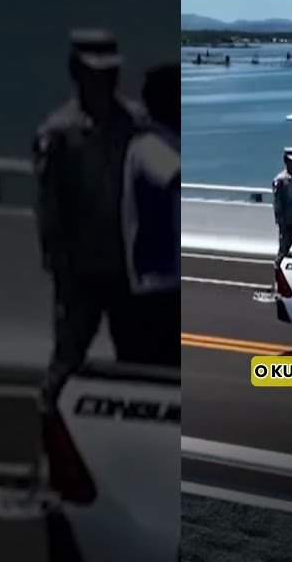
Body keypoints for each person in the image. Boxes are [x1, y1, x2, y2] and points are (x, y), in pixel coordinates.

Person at [33, 29, 143, 410]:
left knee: (138, 366)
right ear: (77, 73)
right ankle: (51, 449)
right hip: (81, 270)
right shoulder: (59, 132)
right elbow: (50, 207)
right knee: (66, 362)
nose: (105, 80)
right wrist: (59, 263)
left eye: (110, 72)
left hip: (127, 268)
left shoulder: (134, 123)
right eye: (97, 73)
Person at [116, 63, 180, 367]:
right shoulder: (149, 145)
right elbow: (176, 177)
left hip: (171, 288)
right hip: (155, 288)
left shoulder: (169, 144)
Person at [272, 147, 292, 262]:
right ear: (286, 160)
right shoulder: (280, 179)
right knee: (283, 252)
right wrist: (280, 221)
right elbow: (277, 202)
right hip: (287, 222)